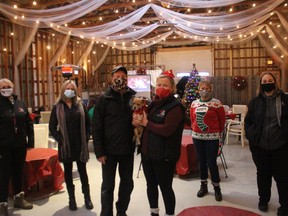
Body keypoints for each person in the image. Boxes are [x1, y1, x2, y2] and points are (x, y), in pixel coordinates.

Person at [133, 70, 185, 216]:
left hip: (164, 156)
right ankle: (154, 212)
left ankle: (169, 214)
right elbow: (144, 123)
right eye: (159, 84)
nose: (161, 87)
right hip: (148, 153)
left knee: (165, 187)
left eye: (165, 85)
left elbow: (167, 130)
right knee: (151, 186)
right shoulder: (153, 104)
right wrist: (138, 122)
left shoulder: (175, 107)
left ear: (172, 88)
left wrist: (146, 123)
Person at [92, 66, 136, 216]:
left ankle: (121, 211)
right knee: (107, 186)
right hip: (108, 152)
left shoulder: (132, 98)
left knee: (127, 184)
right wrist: (99, 151)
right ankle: (106, 213)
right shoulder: (103, 100)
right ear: (112, 79)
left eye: (124, 76)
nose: (121, 79)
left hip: (127, 150)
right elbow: (96, 127)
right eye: (117, 76)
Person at [244, 72, 288, 216]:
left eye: (270, 80)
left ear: (275, 82)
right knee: (263, 175)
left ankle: (285, 205)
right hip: (260, 147)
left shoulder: (284, 99)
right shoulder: (255, 101)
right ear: (261, 84)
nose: (267, 82)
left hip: (280, 147)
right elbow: (248, 121)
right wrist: (252, 136)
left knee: (282, 177)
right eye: (265, 80)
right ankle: (263, 200)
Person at [49, 80, 93, 211]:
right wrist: (60, 140)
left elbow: (88, 123)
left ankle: (87, 198)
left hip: (80, 145)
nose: (70, 90)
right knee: (68, 173)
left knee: (83, 172)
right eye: (67, 88)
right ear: (63, 90)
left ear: (75, 91)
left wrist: (86, 137)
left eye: (72, 88)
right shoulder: (57, 106)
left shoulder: (80, 105)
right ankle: (71, 199)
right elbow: (52, 126)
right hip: (66, 147)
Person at [0, 78, 34, 216]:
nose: (6, 88)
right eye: (3, 86)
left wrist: (30, 142)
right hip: (3, 147)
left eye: (9, 86)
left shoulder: (21, 103)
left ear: (13, 87)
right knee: (3, 175)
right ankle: (2, 203)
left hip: (20, 145)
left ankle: (19, 198)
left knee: (18, 172)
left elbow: (29, 123)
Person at [190, 80, 226, 201]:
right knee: (201, 162)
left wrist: (217, 133)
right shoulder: (194, 104)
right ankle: (203, 185)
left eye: (206, 88)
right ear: (198, 90)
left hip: (212, 138)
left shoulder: (217, 104)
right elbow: (192, 119)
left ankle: (217, 188)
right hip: (197, 137)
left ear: (210, 89)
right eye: (202, 88)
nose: (204, 90)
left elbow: (222, 121)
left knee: (211, 163)